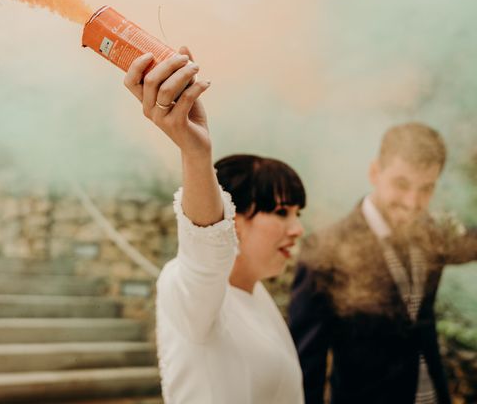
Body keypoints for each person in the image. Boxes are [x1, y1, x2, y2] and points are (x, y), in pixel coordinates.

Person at [124, 49, 306, 403]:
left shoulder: (257, 295)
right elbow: (207, 249)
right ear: (232, 218)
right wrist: (196, 153)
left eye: (299, 214)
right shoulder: (188, 290)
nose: (297, 228)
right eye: (282, 212)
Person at [288, 122, 477, 404]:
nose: (413, 202)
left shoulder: (430, 232)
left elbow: (466, 246)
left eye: (426, 188)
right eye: (402, 184)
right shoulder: (326, 249)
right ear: (375, 172)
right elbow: (306, 364)